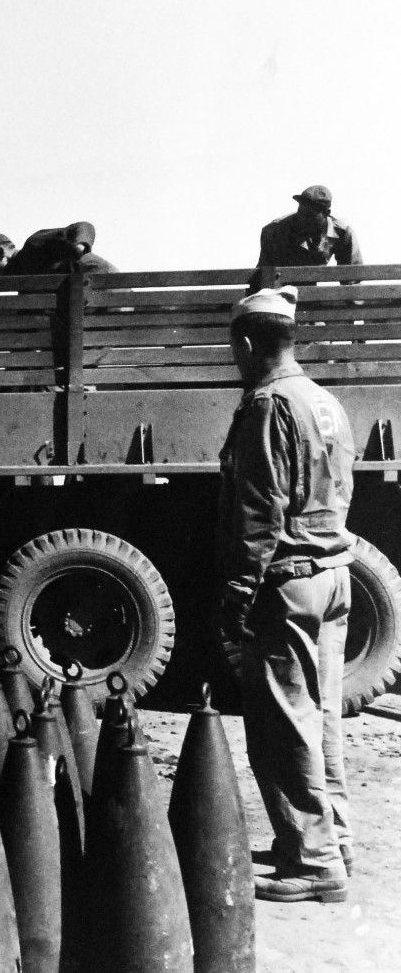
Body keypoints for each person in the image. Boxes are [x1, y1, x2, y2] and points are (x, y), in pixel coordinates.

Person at [217, 286, 355, 903]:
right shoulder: (325, 401)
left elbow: (260, 508)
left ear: (248, 343)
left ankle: (315, 862)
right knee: (321, 719)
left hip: (290, 581)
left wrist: (240, 588)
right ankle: (334, 842)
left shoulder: (269, 405)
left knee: (282, 726)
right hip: (333, 574)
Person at [257, 185, 362, 271]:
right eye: (300, 213)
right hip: (280, 289)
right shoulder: (275, 231)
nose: (303, 219)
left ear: (326, 213)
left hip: (313, 290)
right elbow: (265, 274)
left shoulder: (342, 232)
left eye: (310, 216)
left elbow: (352, 277)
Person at [7, 221, 117, 276]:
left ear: (2, 252)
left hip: (106, 283)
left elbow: (84, 226)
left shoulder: (32, 245)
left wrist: (78, 247)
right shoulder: (25, 269)